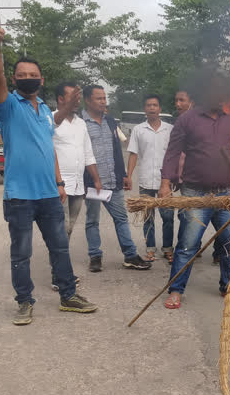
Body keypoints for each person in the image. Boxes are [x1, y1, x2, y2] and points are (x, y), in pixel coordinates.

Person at [0, 26, 97, 325]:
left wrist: (67, 108)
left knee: (60, 247)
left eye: (31, 75)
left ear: (41, 79)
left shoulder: (46, 110)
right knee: (21, 254)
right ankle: (24, 302)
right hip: (20, 196)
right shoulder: (8, 106)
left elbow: (49, 135)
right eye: (20, 75)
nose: (27, 78)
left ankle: (68, 295)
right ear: (14, 80)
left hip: (49, 194)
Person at [159, 80, 230, 309]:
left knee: (229, 243)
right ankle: (176, 290)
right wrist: (166, 183)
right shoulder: (187, 119)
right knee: (187, 243)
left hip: (226, 194)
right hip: (196, 193)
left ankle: (229, 285)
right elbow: (173, 153)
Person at [82, 85, 151, 273]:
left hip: (113, 182)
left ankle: (130, 256)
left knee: (121, 219)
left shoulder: (111, 121)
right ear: (88, 100)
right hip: (94, 184)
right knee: (92, 221)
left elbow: (117, 151)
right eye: (99, 98)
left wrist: (124, 175)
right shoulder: (81, 123)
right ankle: (95, 256)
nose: (104, 102)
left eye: (104, 98)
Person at [50, 81, 103, 291]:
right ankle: (59, 275)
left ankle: (62, 269)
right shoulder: (52, 120)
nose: (76, 100)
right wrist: (58, 182)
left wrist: (97, 179)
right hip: (59, 186)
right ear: (61, 99)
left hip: (78, 186)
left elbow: (88, 153)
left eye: (78, 97)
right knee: (59, 231)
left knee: (69, 230)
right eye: (72, 96)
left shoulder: (81, 123)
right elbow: (48, 152)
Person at [127, 94, 175, 263]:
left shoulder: (169, 129)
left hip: (165, 181)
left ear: (160, 108)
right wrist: (128, 176)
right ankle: (150, 249)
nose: (152, 108)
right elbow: (133, 154)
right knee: (148, 218)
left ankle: (168, 248)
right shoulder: (138, 130)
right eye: (149, 105)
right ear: (144, 109)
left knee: (168, 217)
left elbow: (174, 154)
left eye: (155, 105)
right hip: (146, 180)